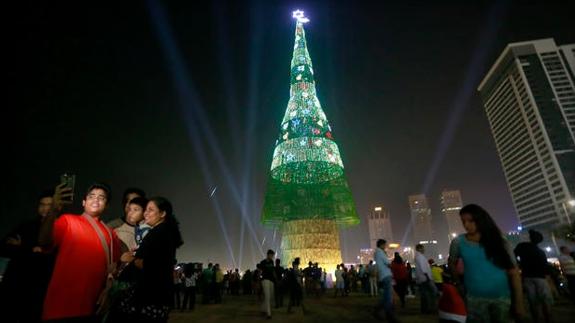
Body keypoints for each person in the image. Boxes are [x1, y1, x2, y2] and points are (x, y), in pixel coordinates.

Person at [39, 183, 121, 322]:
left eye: (101, 197)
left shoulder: (110, 233)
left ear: (106, 205)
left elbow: (114, 268)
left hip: (91, 305)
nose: (96, 199)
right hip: (60, 304)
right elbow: (43, 241)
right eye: (91, 196)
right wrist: (53, 210)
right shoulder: (68, 220)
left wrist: (107, 290)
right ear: (83, 202)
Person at [448, 204, 524, 323]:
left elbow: (514, 272)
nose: (466, 225)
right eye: (463, 221)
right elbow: (451, 262)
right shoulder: (458, 242)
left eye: (470, 221)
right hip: (474, 300)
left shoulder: (499, 240)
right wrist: (457, 283)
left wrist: (519, 303)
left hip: (502, 298)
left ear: (481, 220)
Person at [0, 188, 61, 323]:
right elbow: (4, 246)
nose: (45, 209)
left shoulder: (60, 228)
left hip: (39, 288)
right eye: (42, 204)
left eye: (49, 205)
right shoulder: (27, 226)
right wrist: (29, 250)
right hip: (16, 283)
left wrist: (22, 248)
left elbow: (53, 257)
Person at [120, 197, 184, 322]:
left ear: (162, 213)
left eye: (151, 210)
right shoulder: (165, 231)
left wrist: (131, 259)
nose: (145, 213)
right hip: (159, 295)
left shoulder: (158, 233)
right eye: (146, 210)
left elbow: (151, 265)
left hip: (150, 296)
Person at [514, 229, 553, 322]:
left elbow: (514, 255)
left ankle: (536, 319)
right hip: (540, 277)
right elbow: (545, 267)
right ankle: (548, 318)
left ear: (530, 238)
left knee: (532, 301)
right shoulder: (541, 252)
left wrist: (519, 264)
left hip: (527, 276)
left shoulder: (522, 246)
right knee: (545, 300)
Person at [374, 239, 398, 322]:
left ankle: (377, 311)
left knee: (386, 297)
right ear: (381, 245)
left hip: (383, 275)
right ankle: (389, 315)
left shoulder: (377, 252)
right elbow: (388, 263)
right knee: (388, 297)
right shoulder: (380, 252)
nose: (385, 246)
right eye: (385, 245)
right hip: (386, 275)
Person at [415, 244, 437, 314]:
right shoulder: (420, 257)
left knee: (424, 294)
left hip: (422, 278)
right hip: (425, 278)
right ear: (419, 249)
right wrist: (427, 277)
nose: (424, 250)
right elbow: (423, 268)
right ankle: (431, 308)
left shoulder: (417, 256)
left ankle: (425, 309)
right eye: (423, 248)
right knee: (433, 292)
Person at [259, 249, 276, 319]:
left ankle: (263, 309)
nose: (272, 256)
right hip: (265, 280)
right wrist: (258, 280)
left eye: (273, 255)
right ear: (268, 255)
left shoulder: (272, 262)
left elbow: (273, 271)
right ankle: (269, 314)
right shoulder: (262, 262)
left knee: (271, 296)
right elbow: (260, 271)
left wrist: (276, 279)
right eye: (271, 255)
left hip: (271, 281)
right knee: (268, 296)